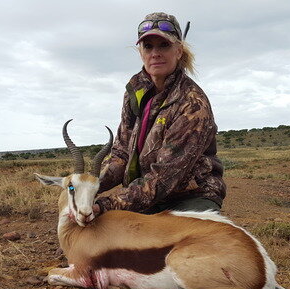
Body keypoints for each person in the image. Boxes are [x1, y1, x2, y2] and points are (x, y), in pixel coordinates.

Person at [93, 12, 226, 216]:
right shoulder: (135, 90)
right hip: (145, 195)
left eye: (164, 45)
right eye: (148, 46)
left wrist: (105, 205)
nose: (155, 53)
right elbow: (121, 153)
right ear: (141, 52)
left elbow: (164, 177)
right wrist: (90, 186)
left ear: (179, 51)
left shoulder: (192, 103)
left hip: (188, 198)